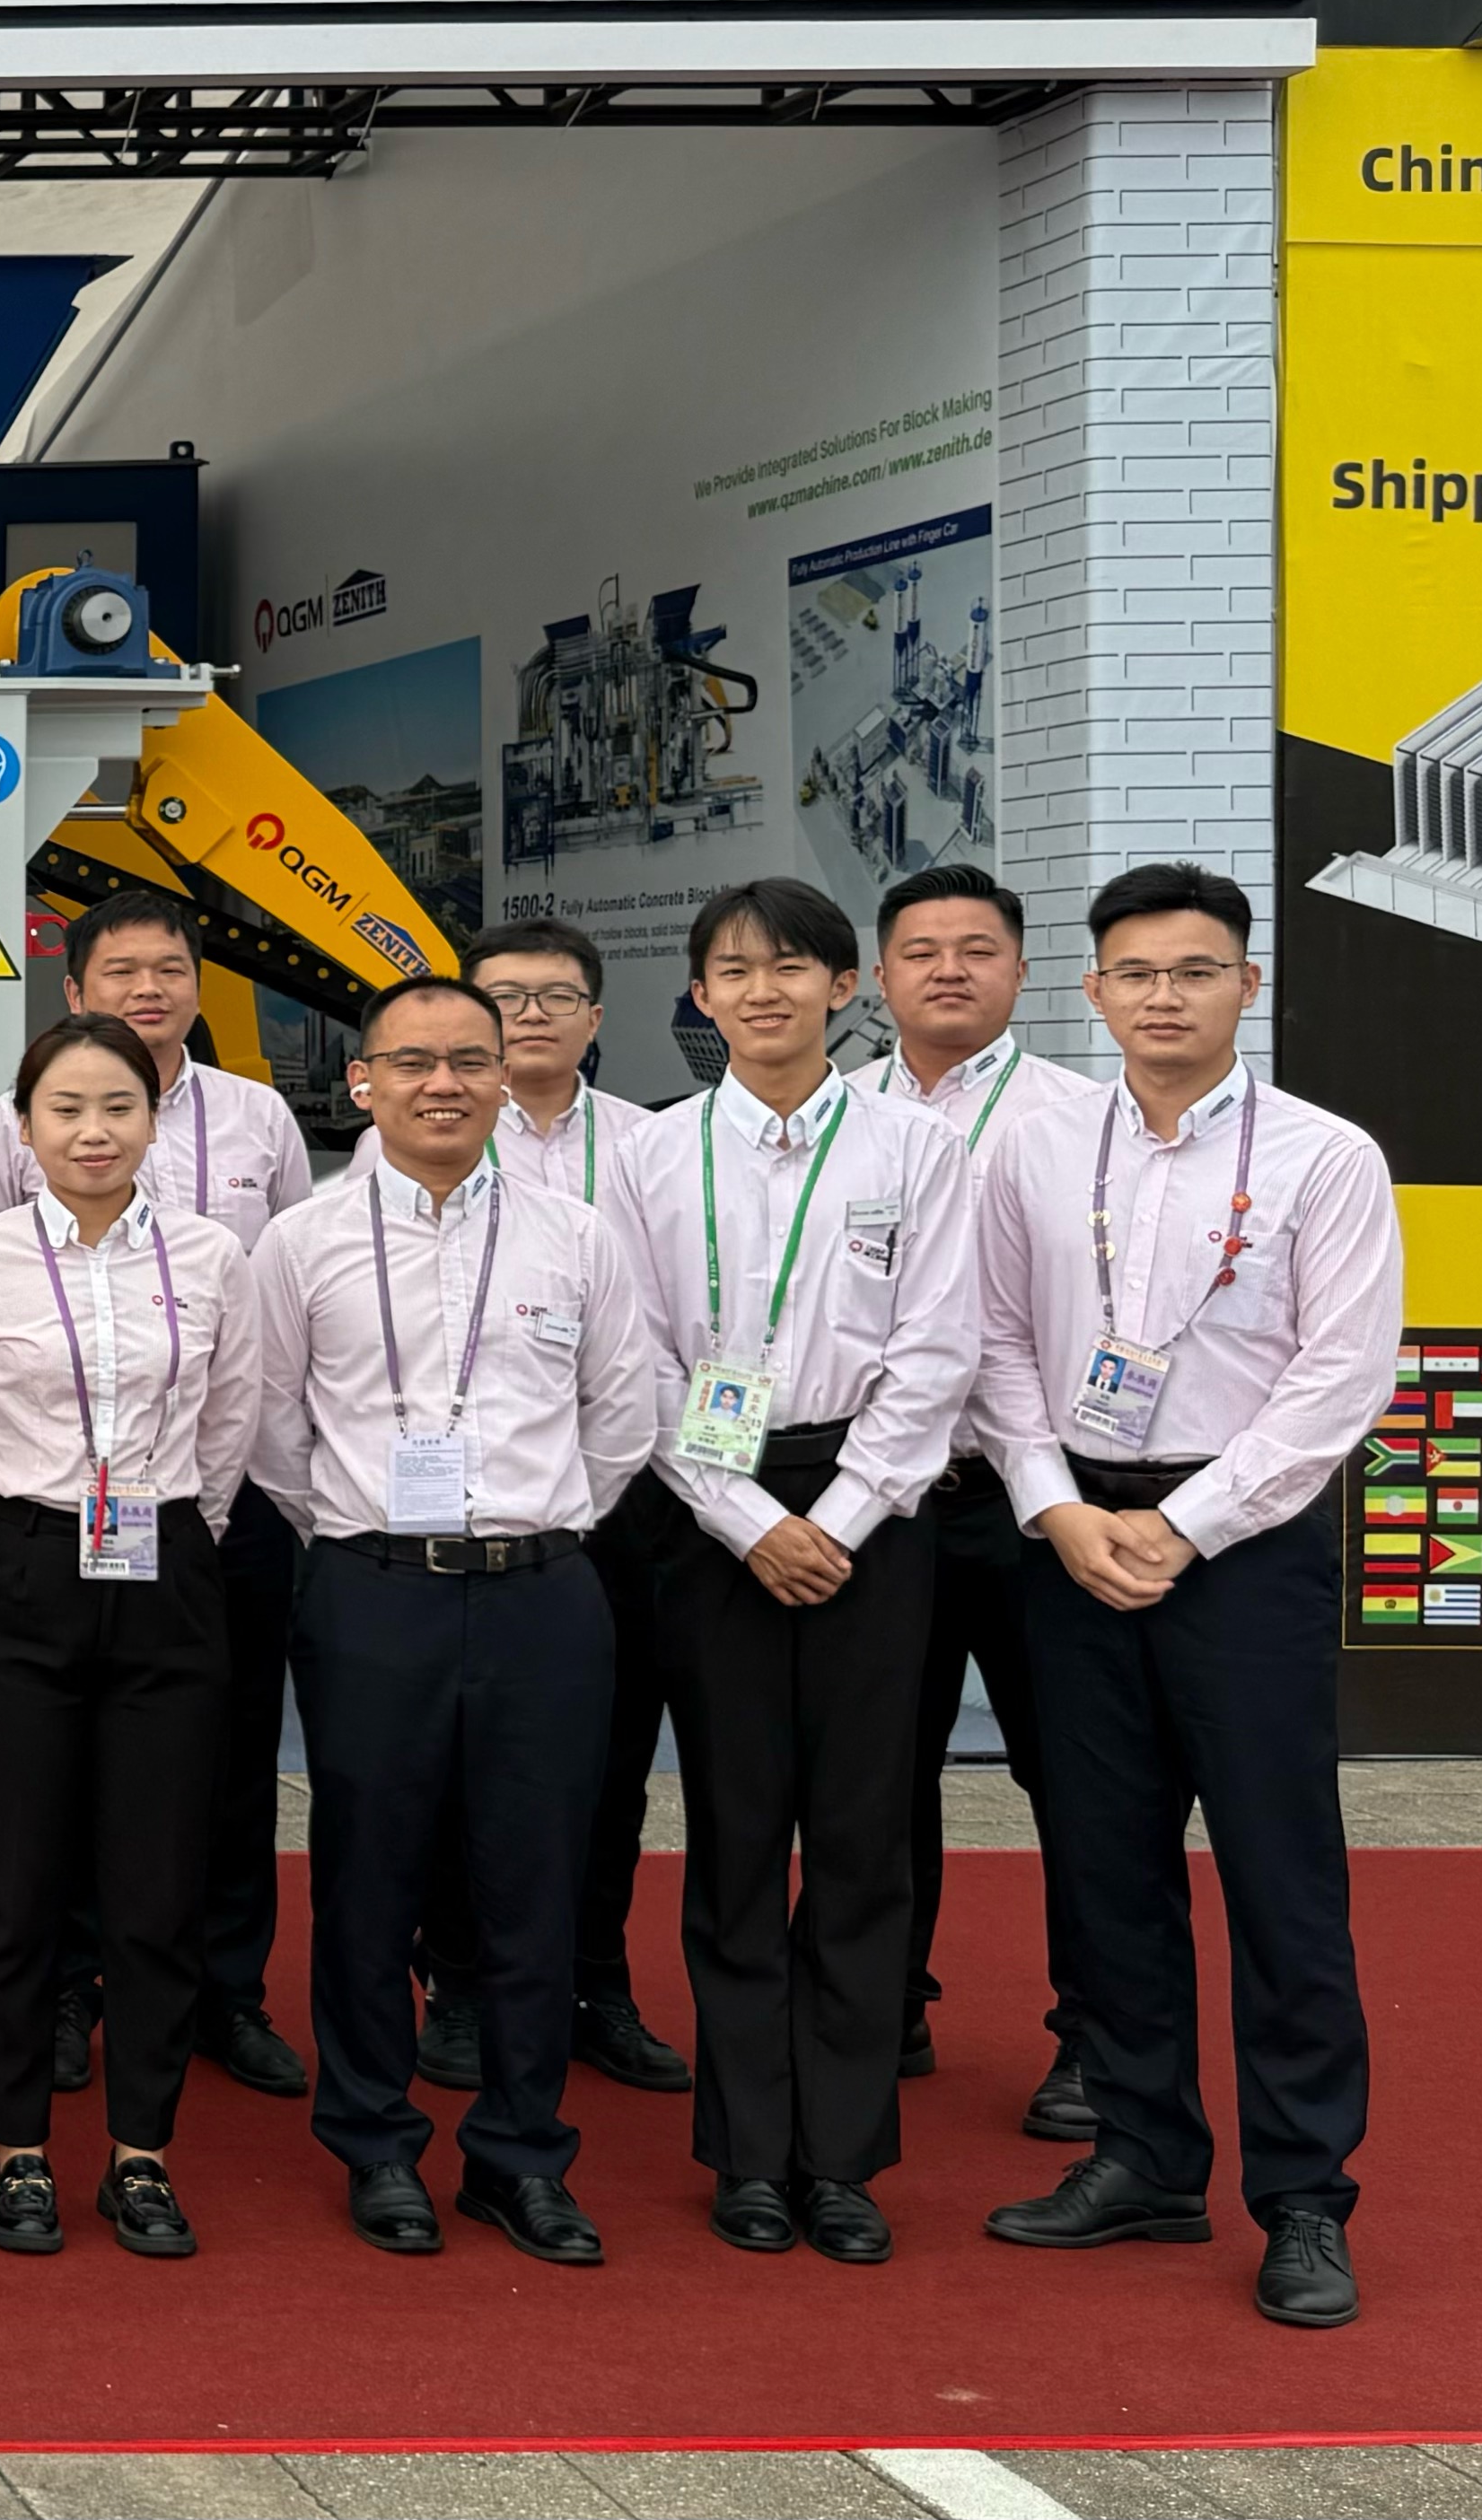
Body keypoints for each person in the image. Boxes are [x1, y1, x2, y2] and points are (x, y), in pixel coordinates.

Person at [974, 866, 1396, 2332]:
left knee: (1281, 1876)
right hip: (1075, 1533)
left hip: (1244, 1542)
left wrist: (1188, 1524)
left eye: (1196, 969)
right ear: (1093, 991)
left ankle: (1304, 2196)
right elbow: (994, 1339)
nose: (1165, 995)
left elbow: (1340, 1376)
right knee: (1106, 1865)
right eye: (1137, 972)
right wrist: (1055, 1506)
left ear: (1245, 985)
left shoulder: (1324, 1155)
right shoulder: (1036, 1149)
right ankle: (1144, 2152)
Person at [243, 975, 656, 2270]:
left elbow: (621, 1414)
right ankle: (374, 2139)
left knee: (534, 1881)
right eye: (413, 1061)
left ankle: (521, 2153)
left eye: (469, 1060)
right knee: (367, 1876)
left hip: (544, 1591)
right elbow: (269, 1423)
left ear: (502, 1077)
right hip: (373, 1590)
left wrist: (538, 1522)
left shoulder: (576, 1236)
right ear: (361, 1080)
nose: (444, 1084)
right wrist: (360, 1532)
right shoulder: (301, 1240)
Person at [599, 877, 969, 2264]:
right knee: (736, 1833)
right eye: (736, 970)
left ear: (841, 985)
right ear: (700, 994)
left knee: (864, 1840)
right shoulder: (650, 1153)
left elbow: (940, 1348)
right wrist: (747, 1518)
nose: (764, 991)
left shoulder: (915, 1147)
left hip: (875, 1509)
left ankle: (845, 2158)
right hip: (711, 1511)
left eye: (792, 966)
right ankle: (750, 2151)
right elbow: (633, 1360)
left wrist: (850, 1512)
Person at [0, 1013, 266, 2261]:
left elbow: (232, 1420)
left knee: (156, 1882)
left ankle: (139, 2154)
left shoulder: (213, 1256)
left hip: (167, 1563)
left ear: (153, 1120)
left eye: (118, 1106)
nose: (93, 1131)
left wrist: (183, 1528)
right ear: (22, 1127)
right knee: (12, 1883)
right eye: (65, 1108)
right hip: (17, 1567)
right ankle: (20, 2150)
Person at [0, 889, 316, 2106]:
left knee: (221, 1760)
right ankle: (66, 1990)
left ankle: (225, 1990)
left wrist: (196, 1516)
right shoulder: (4, 1128)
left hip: (200, 1504)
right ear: (75, 990)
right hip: (47, 1500)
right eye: (121, 971)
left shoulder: (262, 1118)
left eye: (170, 968)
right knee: (49, 1776)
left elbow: (265, 1336)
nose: (147, 990)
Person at [402, 914, 692, 2100]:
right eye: (505, 996)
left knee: (605, 1757)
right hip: (445, 1494)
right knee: (452, 1754)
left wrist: (590, 1488)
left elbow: (668, 1322)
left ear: (595, 1016)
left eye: (554, 995)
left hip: (609, 1496)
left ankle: (593, 1979)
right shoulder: (419, 1136)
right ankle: (461, 1979)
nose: (529, 1015)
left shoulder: (655, 1148)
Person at [858, 862, 1104, 2134]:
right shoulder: (833, 1114)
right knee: (872, 1770)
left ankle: (1095, 2036)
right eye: (921, 950)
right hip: (877, 1500)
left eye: (976, 949)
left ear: (1021, 968)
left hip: (1034, 1501)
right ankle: (877, 2006)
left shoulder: (1086, 1121)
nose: (948, 969)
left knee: (1079, 1775)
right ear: (877, 974)